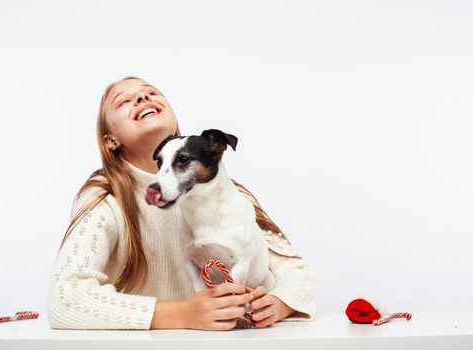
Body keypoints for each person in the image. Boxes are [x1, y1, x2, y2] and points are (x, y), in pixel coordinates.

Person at [46, 76, 316, 330]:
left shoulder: (231, 197)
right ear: (110, 141)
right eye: (124, 101)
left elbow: (297, 271)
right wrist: (183, 314)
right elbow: (64, 296)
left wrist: (278, 305)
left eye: (151, 92)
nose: (142, 98)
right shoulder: (105, 198)